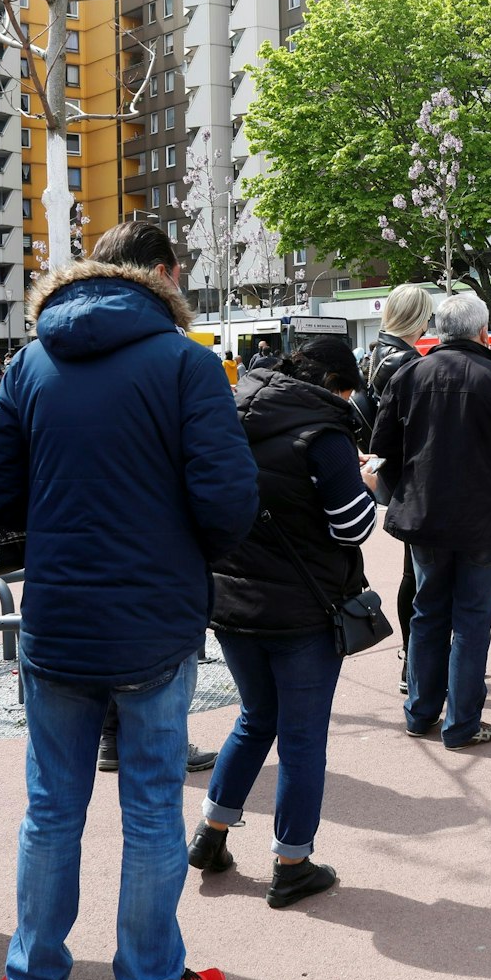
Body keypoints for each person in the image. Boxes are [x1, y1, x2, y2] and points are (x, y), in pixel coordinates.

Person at [0, 219, 258, 980]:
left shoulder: (31, 362)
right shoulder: (184, 364)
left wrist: (63, 514)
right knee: (154, 811)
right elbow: (229, 501)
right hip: (155, 619)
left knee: (50, 811)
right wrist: (182, 552)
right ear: (162, 282)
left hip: (58, 616)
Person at [187, 336, 374, 909]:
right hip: (302, 609)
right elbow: (352, 527)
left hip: (233, 600)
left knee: (255, 717)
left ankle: (212, 833)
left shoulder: (230, 418)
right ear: (339, 386)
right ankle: (292, 862)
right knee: (301, 739)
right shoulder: (325, 435)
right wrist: (366, 486)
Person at [370, 293, 491, 749]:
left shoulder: (409, 374)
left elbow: (382, 446)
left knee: (427, 611)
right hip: (484, 518)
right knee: (471, 620)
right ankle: (463, 722)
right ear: (483, 332)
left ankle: (420, 712)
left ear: (439, 331)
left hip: (425, 514)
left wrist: (406, 491)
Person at [350, 282, 433, 694]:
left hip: (390, 468)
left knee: (412, 569)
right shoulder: (405, 360)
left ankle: (414, 655)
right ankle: (415, 658)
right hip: (410, 472)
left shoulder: (375, 354)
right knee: (416, 572)